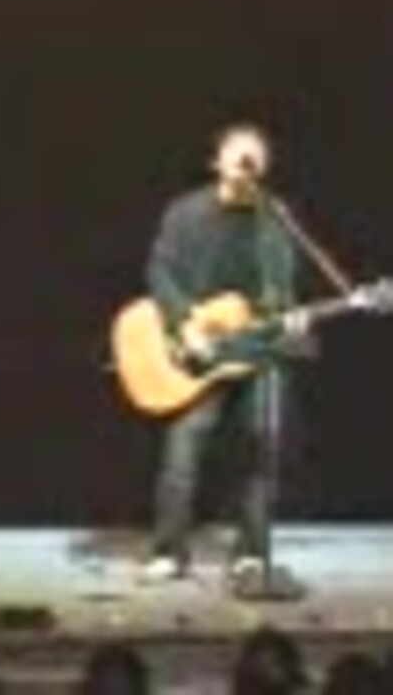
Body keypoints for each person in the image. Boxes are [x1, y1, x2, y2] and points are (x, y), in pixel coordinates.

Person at [143, 123, 308, 580]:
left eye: (256, 153)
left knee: (260, 448)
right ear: (217, 162)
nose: (247, 159)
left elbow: (282, 292)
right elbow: (159, 270)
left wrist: (290, 316)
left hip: (253, 350)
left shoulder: (274, 221)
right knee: (184, 448)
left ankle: (252, 551)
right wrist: (183, 322)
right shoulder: (185, 213)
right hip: (197, 352)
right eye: (238, 152)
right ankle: (169, 552)